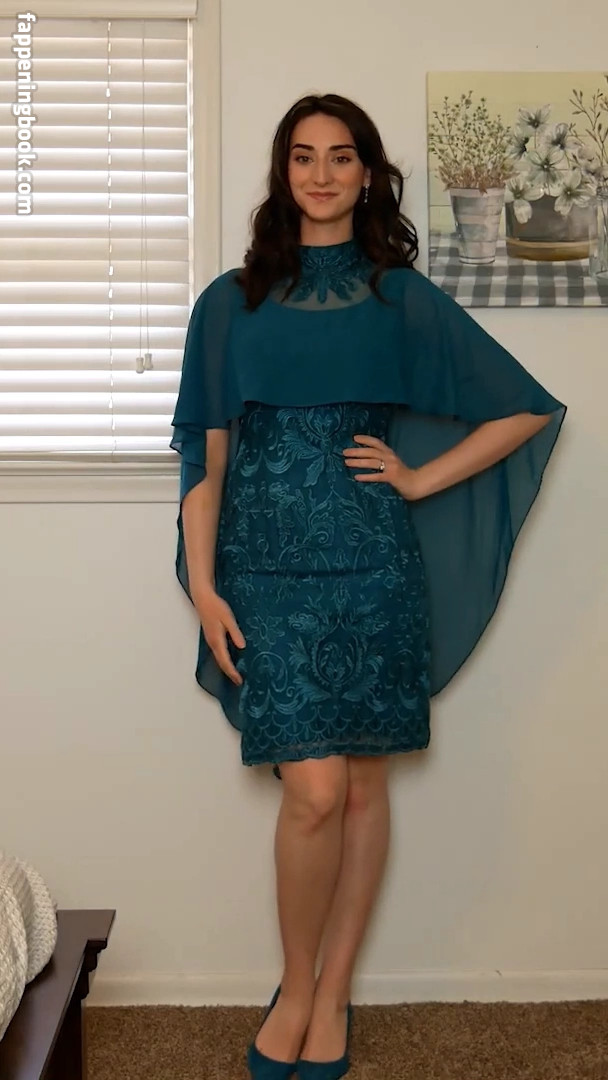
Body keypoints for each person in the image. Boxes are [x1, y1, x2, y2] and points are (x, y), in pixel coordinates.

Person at [170, 93, 566, 1080]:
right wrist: (205, 590)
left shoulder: (402, 300)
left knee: (359, 790)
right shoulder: (228, 303)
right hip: (265, 571)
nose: (320, 174)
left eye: (340, 156)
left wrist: (420, 480)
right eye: (302, 156)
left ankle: (331, 990)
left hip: (374, 565)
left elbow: (524, 409)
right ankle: (294, 984)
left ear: (366, 173)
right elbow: (202, 467)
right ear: (281, 171)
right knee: (311, 791)